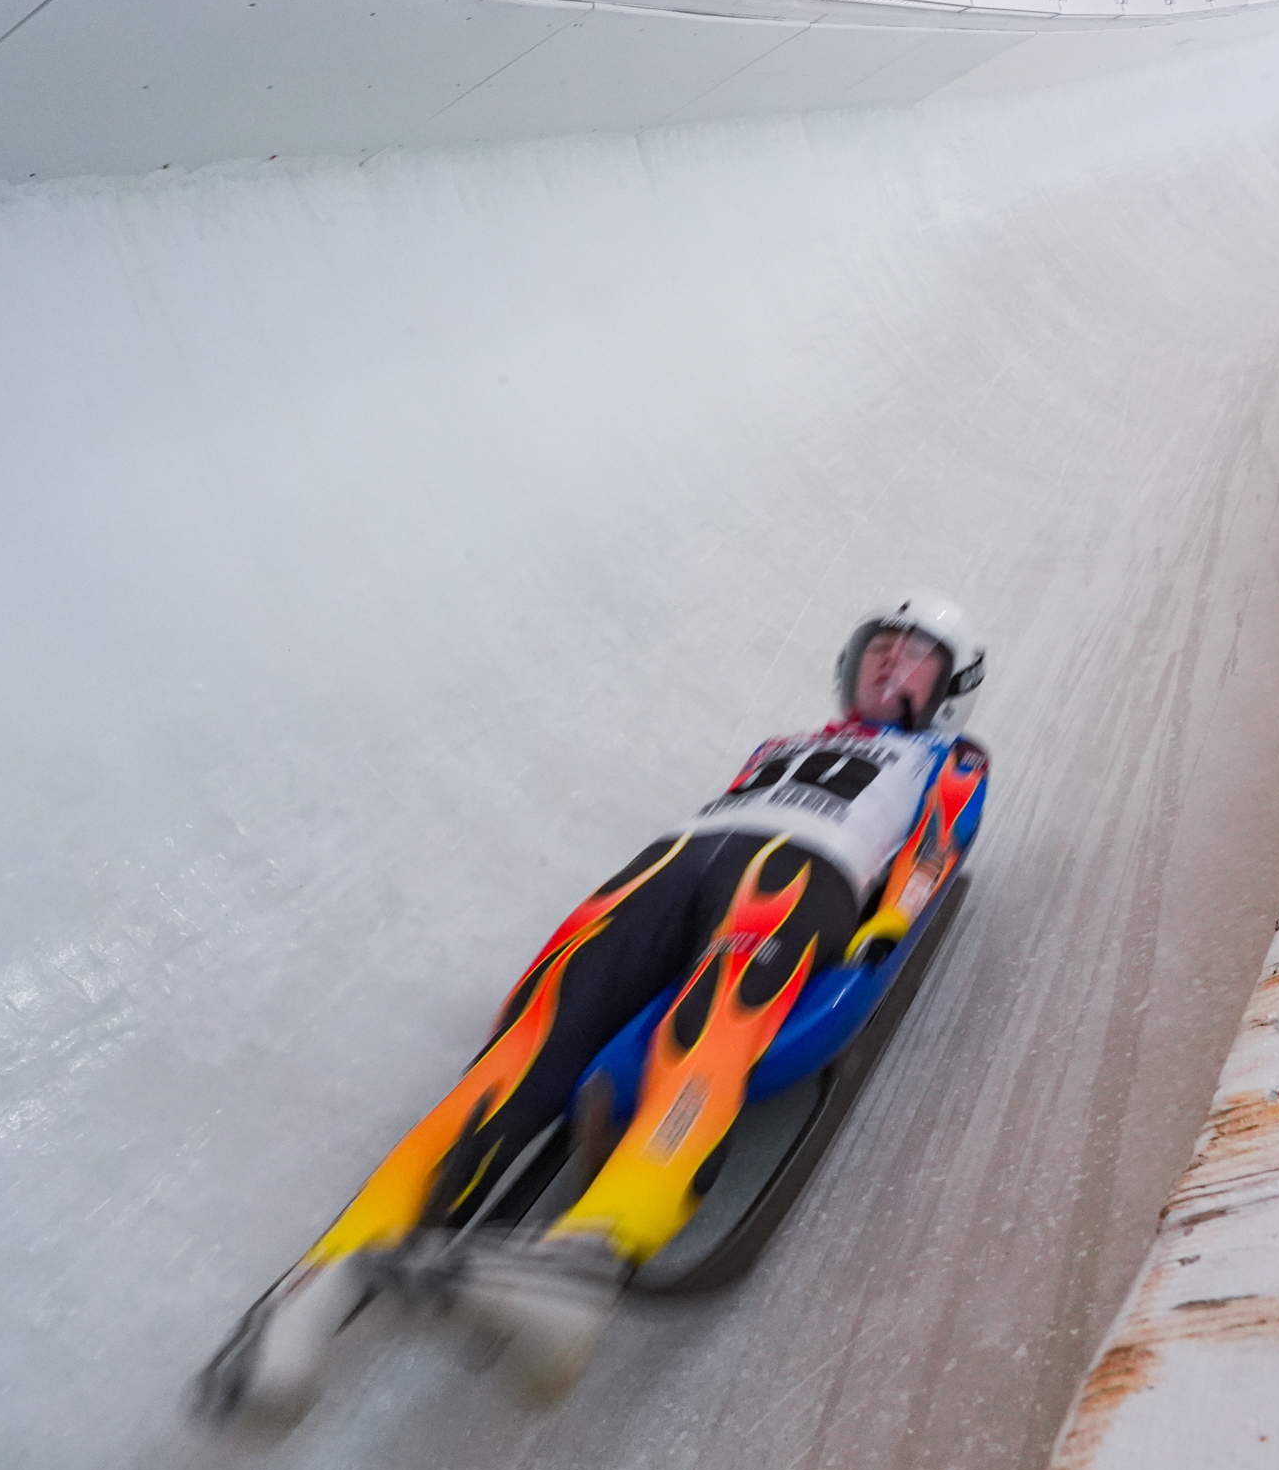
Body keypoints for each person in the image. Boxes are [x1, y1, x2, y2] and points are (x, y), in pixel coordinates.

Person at [199, 593, 990, 1418]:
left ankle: (588, 1252)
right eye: (880, 644)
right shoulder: (781, 743)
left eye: (915, 654)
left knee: (714, 1021)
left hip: (803, 874)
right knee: (527, 1039)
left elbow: (936, 841)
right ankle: (317, 1286)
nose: (890, 660)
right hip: (669, 863)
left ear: (951, 687)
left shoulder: (951, 754)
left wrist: (886, 926)